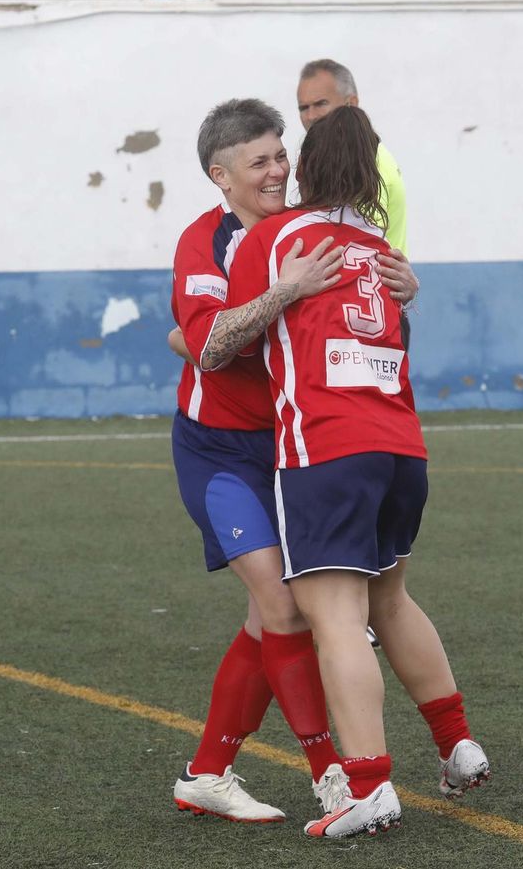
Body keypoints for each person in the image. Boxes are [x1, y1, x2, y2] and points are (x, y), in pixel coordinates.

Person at [223, 105, 489, 840]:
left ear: (304, 168)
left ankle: (367, 785)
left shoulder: (275, 237)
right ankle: (458, 742)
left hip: (327, 448)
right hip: (402, 447)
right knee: (391, 601)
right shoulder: (381, 248)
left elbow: (223, 342)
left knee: (334, 618)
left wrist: (280, 293)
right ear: (373, 174)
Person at [166, 98, 350, 824]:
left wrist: (406, 284)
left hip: (291, 450)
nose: (278, 171)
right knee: (284, 606)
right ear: (221, 175)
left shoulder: (301, 229)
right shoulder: (203, 243)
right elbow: (210, 343)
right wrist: (286, 291)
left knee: (262, 620)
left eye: (281, 155)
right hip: (216, 452)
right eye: (260, 161)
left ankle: (206, 772)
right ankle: (328, 772)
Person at [296, 58, 415, 350]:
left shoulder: (367, 166)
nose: (310, 116)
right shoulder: (342, 159)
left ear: (352, 103)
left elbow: (348, 242)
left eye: (320, 104)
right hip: (360, 308)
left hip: (369, 313)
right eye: (303, 107)